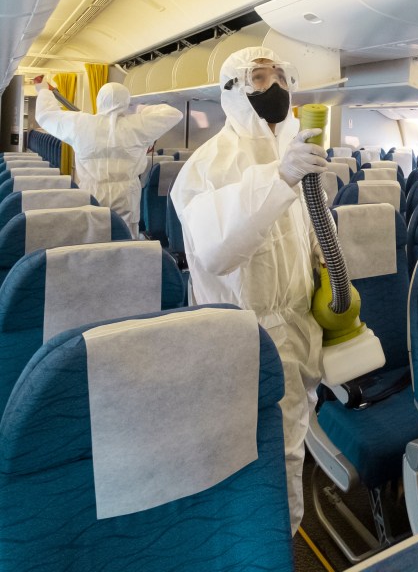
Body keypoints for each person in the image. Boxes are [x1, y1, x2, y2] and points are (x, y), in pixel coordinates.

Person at [169, 46, 327, 533]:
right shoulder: (206, 166)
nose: (275, 86)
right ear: (233, 92)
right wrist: (279, 179)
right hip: (245, 337)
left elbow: (311, 233)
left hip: (299, 328)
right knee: (256, 458)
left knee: (291, 443)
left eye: (279, 75)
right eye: (259, 77)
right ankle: (263, 545)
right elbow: (217, 249)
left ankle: (285, 539)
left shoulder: (292, 153)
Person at [34, 77, 183, 238]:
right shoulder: (137, 125)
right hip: (126, 194)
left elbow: (46, 115)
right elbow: (173, 114)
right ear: (126, 102)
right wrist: (138, 110)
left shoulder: (81, 123)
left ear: (99, 100)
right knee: (125, 237)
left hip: (92, 191)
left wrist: (44, 91)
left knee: (92, 237)